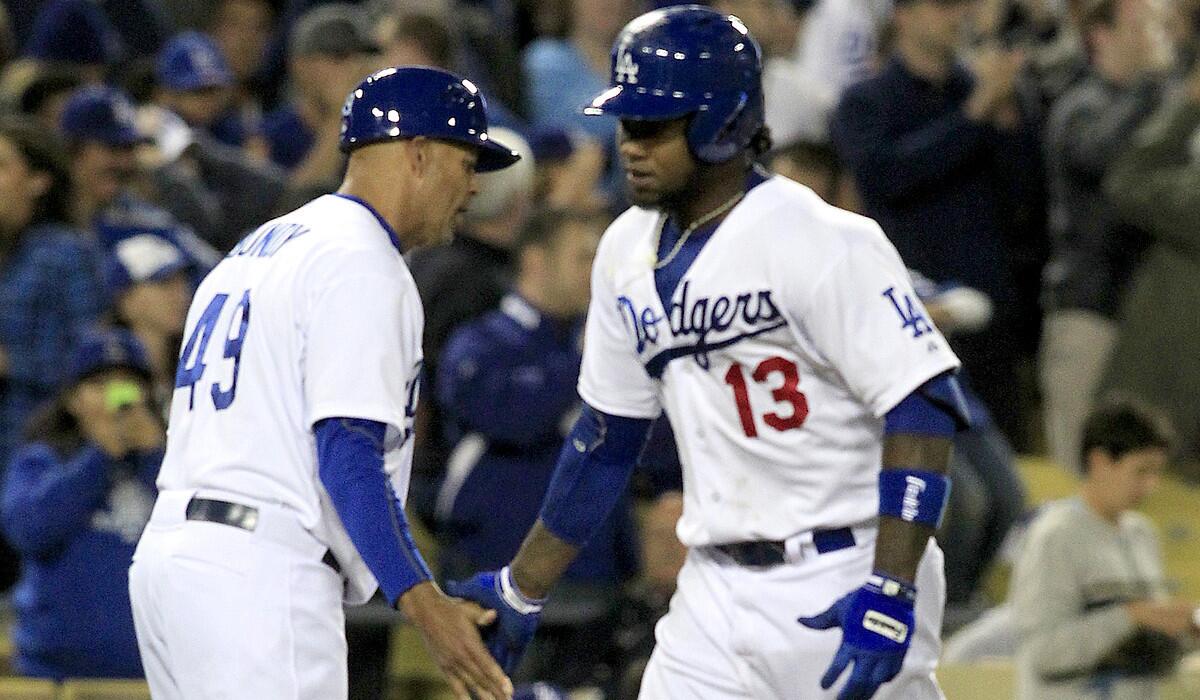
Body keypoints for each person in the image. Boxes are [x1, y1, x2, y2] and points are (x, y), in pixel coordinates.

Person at [449, 7, 967, 700]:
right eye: (626, 122)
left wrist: (892, 585)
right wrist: (524, 585)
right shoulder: (622, 250)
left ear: (721, 122)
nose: (628, 143)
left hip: (843, 572)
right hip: (713, 590)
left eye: (653, 127)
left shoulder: (823, 238)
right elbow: (604, 441)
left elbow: (923, 407)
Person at [127, 66, 522, 700]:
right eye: (467, 160)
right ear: (418, 153)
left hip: (176, 562)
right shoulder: (363, 260)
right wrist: (425, 605)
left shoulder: (262, 245)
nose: (474, 185)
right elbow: (346, 452)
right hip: (257, 576)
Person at [436, 207, 639, 690]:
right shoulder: (481, 341)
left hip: (592, 573)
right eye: (581, 258)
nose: (594, 274)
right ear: (534, 259)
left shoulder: (594, 344)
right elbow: (512, 418)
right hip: (496, 565)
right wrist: (587, 360)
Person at [831, 0, 1045, 444]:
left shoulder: (984, 91)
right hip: (912, 312)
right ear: (903, 15)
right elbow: (887, 177)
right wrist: (976, 114)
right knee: (922, 464)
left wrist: (1006, 120)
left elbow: (1027, 196)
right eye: (943, 5)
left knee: (1005, 473)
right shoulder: (867, 101)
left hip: (989, 312)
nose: (957, 15)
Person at [1040, 0, 1168, 474]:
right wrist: (1155, 90)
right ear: (1101, 35)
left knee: (1133, 468)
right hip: (1085, 306)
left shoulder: (1153, 104)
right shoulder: (1080, 106)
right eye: (1139, 26)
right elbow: (1102, 158)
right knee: (1077, 464)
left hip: (1136, 310)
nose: (1151, 39)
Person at [1, 328, 162, 680]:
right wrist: (99, 459)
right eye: (99, 385)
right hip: (58, 680)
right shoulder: (43, 460)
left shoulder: (171, 466)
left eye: (127, 384)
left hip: (159, 678)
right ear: (72, 400)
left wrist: (157, 459)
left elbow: (205, 535)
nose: (115, 399)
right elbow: (27, 532)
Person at [1010, 399, 1199, 699]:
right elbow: (1045, 653)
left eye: (1156, 473)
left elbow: (1144, 652)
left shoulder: (1142, 534)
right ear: (1099, 462)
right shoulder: (1055, 536)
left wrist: (1185, 631)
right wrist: (1131, 616)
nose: (1150, 486)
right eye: (1141, 471)